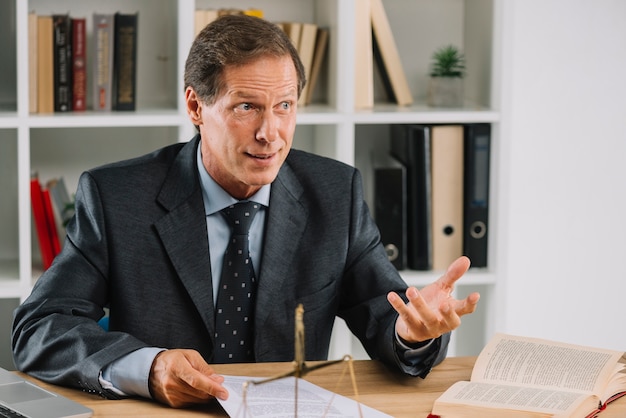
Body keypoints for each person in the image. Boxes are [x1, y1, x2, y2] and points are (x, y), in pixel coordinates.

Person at [12, 14, 480, 408]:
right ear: (196, 105)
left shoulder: (335, 193)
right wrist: (149, 368)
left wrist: (413, 332)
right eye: (246, 108)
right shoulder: (117, 198)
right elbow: (40, 329)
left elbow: (388, 315)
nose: (270, 133)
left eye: (284, 106)